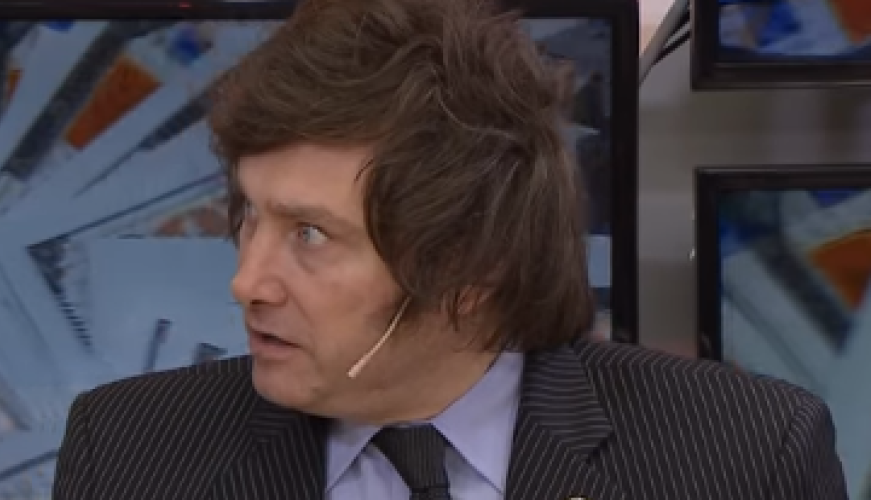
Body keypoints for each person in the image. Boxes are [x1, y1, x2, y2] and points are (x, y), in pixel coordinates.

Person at [52, 0, 847, 498]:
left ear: (471, 265)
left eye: (309, 234)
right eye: (250, 218)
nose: (247, 281)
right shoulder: (128, 453)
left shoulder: (744, 456)